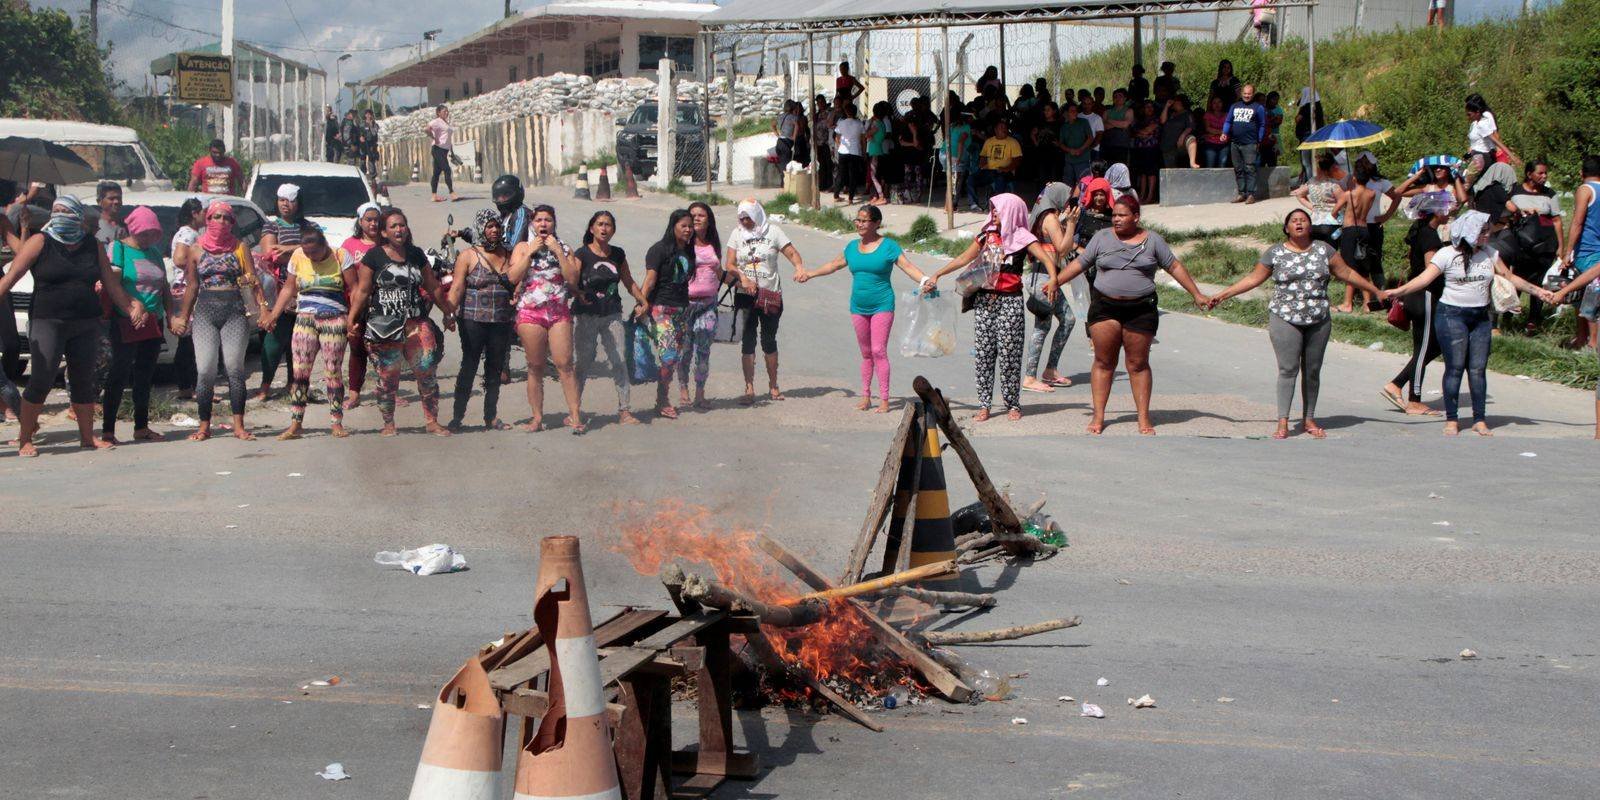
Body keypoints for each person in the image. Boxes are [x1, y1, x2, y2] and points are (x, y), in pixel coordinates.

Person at [1207, 209, 1385, 439]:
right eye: (1294, 221)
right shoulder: (1275, 253)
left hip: (1318, 319)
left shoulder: (1324, 250)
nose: (1299, 223)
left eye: (1303, 220)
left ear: (1310, 226)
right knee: (1288, 369)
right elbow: (1253, 278)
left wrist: (1375, 291)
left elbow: (1347, 273)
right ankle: (1283, 422)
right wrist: (1222, 295)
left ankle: (1309, 419)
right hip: (1284, 317)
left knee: (1312, 371)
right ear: (1286, 228)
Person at [0, 196, 147, 456]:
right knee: (41, 379)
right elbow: (11, 277)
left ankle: (87, 438)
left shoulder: (92, 244)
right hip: (48, 321)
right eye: (55, 211)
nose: (59, 215)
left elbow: (111, 284)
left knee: (83, 380)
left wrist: (130, 307)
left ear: (78, 216)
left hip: (85, 322)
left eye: (65, 211)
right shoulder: (40, 241)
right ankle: (25, 439)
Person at [1053, 196, 1210, 434]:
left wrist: (1196, 294)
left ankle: (1143, 418)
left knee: (1138, 363)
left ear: (1136, 217)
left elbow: (1174, 266)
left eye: (1122, 215)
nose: (1116, 219)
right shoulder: (1102, 237)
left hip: (1141, 309)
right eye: (1114, 215)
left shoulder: (1153, 240)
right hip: (1105, 307)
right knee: (1104, 362)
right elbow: (1081, 263)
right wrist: (1056, 282)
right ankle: (1098, 416)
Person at [1386, 211, 1552, 435]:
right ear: (1469, 231)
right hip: (1451, 316)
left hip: (1480, 317)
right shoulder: (1447, 254)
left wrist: (1539, 292)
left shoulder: (1489, 253)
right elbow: (1424, 279)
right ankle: (1452, 420)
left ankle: (1479, 419)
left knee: (1478, 370)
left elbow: (1509, 277)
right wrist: (1397, 292)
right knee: (1454, 368)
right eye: (1483, 231)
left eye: (1487, 231)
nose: (1487, 235)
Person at [927, 194, 1057, 421]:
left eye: (999, 209)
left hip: (1010, 302)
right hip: (985, 301)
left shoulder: (1023, 238)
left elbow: (1046, 259)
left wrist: (1054, 278)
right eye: (993, 209)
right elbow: (963, 258)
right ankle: (984, 405)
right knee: (984, 354)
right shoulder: (985, 236)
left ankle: (1012, 404)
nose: (994, 213)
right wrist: (938, 274)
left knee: (1010, 356)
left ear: (1012, 212)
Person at [795, 204, 930, 412]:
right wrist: (810, 274)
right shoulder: (851, 247)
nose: (859, 224)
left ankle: (884, 399)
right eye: (857, 220)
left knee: (878, 351)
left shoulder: (889, 246)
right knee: (866, 353)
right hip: (858, 307)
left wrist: (925, 280)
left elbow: (908, 266)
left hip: (882, 305)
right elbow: (833, 265)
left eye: (864, 220)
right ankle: (866, 396)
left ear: (876, 223)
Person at [347, 208, 454, 436]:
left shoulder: (416, 254)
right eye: (393, 226)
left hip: (416, 323)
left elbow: (432, 286)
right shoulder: (373, 257)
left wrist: (448, 312)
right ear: (384, 232)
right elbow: (363, 291)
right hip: (384, 327)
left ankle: (432, 421)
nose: (399, 229)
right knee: (388, 377)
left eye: (402, 225)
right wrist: (352, 319)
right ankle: (388, 424)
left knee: (427, 371)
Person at [175, 200, 265, 441]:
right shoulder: (196, 249)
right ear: (208, 219)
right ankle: (204, 426)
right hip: (205, 313)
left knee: (235, 368)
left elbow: (253, 280)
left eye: (226, 218)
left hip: (234, 312)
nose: (221, 222)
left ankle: (239, 426)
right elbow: (192, 286)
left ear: (232, 222)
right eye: (217, 217)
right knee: (205, 370)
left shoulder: (240, 247)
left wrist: (264, 309)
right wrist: (183, 316)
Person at [262, 225, 350, 440]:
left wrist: (352, 318)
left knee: (333, 371)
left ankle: (336, 421)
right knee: (300, 372)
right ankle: (296, 423)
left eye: (315, 252)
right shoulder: (298, 256)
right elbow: (289, 288)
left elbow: (355, 288)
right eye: (307, 252)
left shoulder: (340, 255)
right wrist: (274, 314)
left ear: (325, 245)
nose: (311, 257)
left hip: (334, 317)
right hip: (304, 318)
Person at [508, 205, 583, 433]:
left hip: (558, 311)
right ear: (532, 223)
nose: (543, 224)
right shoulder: (522, 247)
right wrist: (530, 252)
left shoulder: (565, 248)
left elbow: (572, 279)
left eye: (548, 220)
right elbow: (512, 277)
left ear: (554, 223)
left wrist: (558, 252)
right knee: (535, 366)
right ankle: (537, 418)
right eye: (539, 220)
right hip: (531, 312)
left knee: (565, 364)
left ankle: (575, 416)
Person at [100, 206, 172, 444]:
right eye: (144, 233)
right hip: (125, 319)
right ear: (133, 229)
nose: (148, 238)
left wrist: (171, 314)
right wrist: (133, 306)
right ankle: (108, 430)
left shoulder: (154, 252)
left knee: (145, 375)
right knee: (119, 374)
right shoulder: (118, 248)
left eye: (153, 234)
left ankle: (141, 426)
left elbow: (164, 287)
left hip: (152, 320)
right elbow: (113, 284)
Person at [1380, 191, 1453, 416]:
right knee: (1425, 349)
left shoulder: (1420, 231)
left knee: (1432, 346)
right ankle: (1412, 399)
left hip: (1417, 296)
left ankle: (1399, 387)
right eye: (1445, 206)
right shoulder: (1430, 235)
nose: (1449, 210)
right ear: (1435, 211)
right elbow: (1431, 269)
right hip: (1425, 296)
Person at [572, 210, 647, 426]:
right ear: (592, 228)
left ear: (613, 230)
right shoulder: (582, 254)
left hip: (612, 314)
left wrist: (643, 300)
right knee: (583, 363)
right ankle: (574, 410)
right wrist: (578, 294)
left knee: (619, 360)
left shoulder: (618, 254)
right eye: (600, 224)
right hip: (586, 315)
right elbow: (572, 281)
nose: (604, 228)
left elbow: (628, 281)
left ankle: (624, 410)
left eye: (608, 225)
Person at [446, 209, 517, 431]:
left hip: (501, 320)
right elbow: (457, 287)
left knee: (495, 368)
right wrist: (449, 313)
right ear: (480, 228)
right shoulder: (468, 256)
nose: (494, 230)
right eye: (489, 226)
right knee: (469, 365)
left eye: (497, 226)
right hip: (472, 320)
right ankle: (457, 417)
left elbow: (520, 281)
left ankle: (491, 417)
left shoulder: (510, 253)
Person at [726, 200, 802, 406]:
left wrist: (799, 267)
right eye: (741, 218)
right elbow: (730, 264)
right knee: (748, 340)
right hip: (745, 296)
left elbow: (792, 253)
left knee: (769, 340)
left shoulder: (773, 232)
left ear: (757, 215)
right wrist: (743, 278)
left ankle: (773, 385)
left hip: (770, 295)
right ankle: (749, 387)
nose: (744, 221)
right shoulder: (736, 234)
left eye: (748, 217)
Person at [1552, 155, 1600, 437]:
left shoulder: (1585, 189)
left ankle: (1590, 341)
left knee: (1587, 295)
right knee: (1587, 295)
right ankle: (1583, 338)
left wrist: (1568, 252)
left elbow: (1578, 221)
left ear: (1583, 173)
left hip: (1588, 250)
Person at [255, 183, 313, 401]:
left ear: (299, 202)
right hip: (279, 289)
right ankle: (265, 386)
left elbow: (317, 248)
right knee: (274, 339)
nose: (285, 204)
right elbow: (272, 254)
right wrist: (302, 249)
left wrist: (290, 248)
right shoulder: (271, 226)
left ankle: (293, 383)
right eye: (282, 200)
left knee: (299, 341)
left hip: (305, 289)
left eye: (290, 200)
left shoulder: (309, 225)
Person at [1021, 183, 1076, 393]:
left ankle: (1048, 370)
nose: (1068, 203)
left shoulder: (1043, 216)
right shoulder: (1050, 218)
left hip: (1044, 277)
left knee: (1062, 320)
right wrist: (1071, 225)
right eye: (1066, 198)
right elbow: (1062, 248)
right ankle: (1031, 376)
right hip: (1045, 278)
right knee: (1046, 325)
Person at [670, 202, 724, 410]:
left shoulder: (713, 245)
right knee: (684, 351)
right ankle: (683, 388)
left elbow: (719, 272)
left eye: (702, 215)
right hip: (685, 305)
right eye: (693, 215)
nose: (697, 218)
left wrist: (741, 282)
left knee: (703, 351)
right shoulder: (682, 244)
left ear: (709, 220)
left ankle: (700, 393)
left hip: (708, 305)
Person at [642, 210, 695, 419]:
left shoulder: (688, 252)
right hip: (661, 309)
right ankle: (662, 400)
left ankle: (661, 397)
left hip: (681, 311)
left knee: (673, 359)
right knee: (669, 356)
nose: (688, 230)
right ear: (673, 226)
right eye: (684, 225)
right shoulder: (659, 249)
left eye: (690, 226)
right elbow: (650, 280)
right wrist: (641, 303)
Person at [1504, 160, 1565, 332]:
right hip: (1520, 244)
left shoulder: (1550, 194)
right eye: (1540, 173)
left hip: (1544, 244)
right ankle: (1508, 318)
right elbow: (1506, 213)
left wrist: (1561, 246)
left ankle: (1534, 320)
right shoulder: (1515, 191)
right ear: (1529, 174)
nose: (1544, 176)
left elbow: (1557, 221)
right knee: (1516, 279)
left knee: (1539, 280)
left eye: (1546, 173)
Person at [339, 202, 383, 410]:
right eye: (369, 220)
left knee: (385, 349)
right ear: (360, 221)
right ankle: (354, 393)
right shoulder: (349, 245)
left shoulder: (388, 243)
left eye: (376, 220)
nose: (373, 224)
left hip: (383, 305)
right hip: (356, 304)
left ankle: (387, 390)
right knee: (357, 348)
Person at [169, 196, 204, 400]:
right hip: (187, 289)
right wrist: (201, 264)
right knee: (190, 341)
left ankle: (188, 386)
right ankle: (189, 386)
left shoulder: (187, 233)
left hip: (184, 289)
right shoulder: (188, 234)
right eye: (204, 213)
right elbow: (179, 258)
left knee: (189, 340)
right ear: (194, 214)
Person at [1334, 160, 1377, 314]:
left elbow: (1334, 212)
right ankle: (1367, 303)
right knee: (1364, 266)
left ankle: (1347, 303)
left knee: (1349, 268)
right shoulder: (1372, 194)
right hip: (1364, 230)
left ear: (1354, 178)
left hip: (1349, 231)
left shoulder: (1348, 194)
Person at [1221, 84, 1267, 203]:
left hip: (1250, 143)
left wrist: (1259, 140)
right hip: (1235, 143)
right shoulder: (1235, 106)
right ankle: (1241, 193)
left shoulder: (1258, 108)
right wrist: (1224, 132)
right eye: (1245, 93)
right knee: (1238, 169)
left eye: (1249, 94)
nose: (1247, 96)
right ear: (1241, 93)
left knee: (1250, 168)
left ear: (1253, 94)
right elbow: (1228, 121)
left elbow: (1262, 125)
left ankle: (1251, 194)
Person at [1462, 94, 1518, 188]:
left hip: (1482, 157)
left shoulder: (1485, 118)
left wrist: (1509, 155)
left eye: (1469, 113)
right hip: (1476, 156)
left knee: (1465, 184)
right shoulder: (1475, 123)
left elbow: (1494, 136)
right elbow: (1476, 141)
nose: (1467, 116)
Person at [1293, 153, 1347, 244]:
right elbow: (1343, 199)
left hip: (1314, 223)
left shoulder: (1311, 182)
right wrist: (1334, 211)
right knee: (1331, 251)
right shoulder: (1333, 183)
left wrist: (1313, 207)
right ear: (1331, 167)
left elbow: (1299, 194)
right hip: (1331, 223)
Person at [975, 119, 1023, 208]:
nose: (1004, 129)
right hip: (990, 170)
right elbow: (983, 156)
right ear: (995, 130)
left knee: (999, 179)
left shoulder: (1013, 142)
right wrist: (982, 166)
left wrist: (1006, 169)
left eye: (1005, 128)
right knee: (971, 179)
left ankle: (997, 204)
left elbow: (1017, 160)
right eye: (1001, 127)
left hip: (1005, 171)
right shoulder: (989, 141)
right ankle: (973, 204)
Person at [833, 103, 867, 204]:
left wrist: (840, 145)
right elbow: (863, 140)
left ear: (846, 112)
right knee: (853, 175)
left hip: (843, 151)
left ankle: (836, 195)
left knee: (841, 174)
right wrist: (864, 152)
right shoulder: (859, 124)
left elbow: (837, 137)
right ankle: (851, 198)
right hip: (855, 151)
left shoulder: (841, 123)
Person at [1129, 101, 1162, 203]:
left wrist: (1142, 132)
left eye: (1151, 107)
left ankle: (1150, 196)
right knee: (1142, 173)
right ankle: (1142, 195)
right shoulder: (1139, 120)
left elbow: (1146, 131)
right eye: (1147, 107)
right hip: (1140, 149)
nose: (1149, 109)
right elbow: (1134, 132)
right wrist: (1143, 133)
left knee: (1151, 172)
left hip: (1152, 148)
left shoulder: (1156, 119)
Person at [426, 105, 459, 203]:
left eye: (447, 111)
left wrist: (451, 151)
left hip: (444, 150)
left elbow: (447, 139)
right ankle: (452, 193)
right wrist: (434, 138)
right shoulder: (437, 121)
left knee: (436, 173)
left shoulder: (445, 123)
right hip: (437, 149)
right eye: (444, 111)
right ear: (438, 113)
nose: (447, 113)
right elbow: (426, 129)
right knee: (447, 169)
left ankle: (434, 196)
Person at [1293, 88, 1325, 188]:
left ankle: (1311, 183)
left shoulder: (1307, 107)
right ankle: (1308, 180)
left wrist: (1300, 110)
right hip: (1314, 136)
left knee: (1306, 162)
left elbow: (1298, 119)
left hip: (1306, 137)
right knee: (1311, 161)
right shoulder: (1318, 106)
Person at [865, 102, 894, 206]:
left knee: (873, 175)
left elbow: (866, 134)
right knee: (876, 174)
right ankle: (876, 196)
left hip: (875, 151)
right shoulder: (882, 123)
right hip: (877, 149)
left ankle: (881, 197)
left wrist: (869, 127)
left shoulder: (876, 124)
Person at [1059, 103, 1096, 185]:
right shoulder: (1063, 127)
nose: (1075, 113)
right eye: (1072, 111)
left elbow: (1090, 138)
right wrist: (1070, 150)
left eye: (1076, 111)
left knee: (1084, 183)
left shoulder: (1083, 122)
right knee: (1067, 184)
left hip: (1083, 159)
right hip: (1069, 160)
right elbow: (1061, 143)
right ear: (1066, 113)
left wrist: (1081, 149)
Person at [1159, 95, 1196, 170]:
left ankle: (1192, 162)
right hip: (1167, 146)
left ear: (1180, 102)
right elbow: (1162, 121)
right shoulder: (1171, 113)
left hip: (1180, 145)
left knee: (1191, 138)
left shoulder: (1187, 114)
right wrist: (1166, 106)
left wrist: (1182, 136)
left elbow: (1190, 127)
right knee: (1171, 171)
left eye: (1175, 101)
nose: (1173, 102)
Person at [1100, 89, 1133, 169]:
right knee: (1107, 168)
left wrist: (1109, 120)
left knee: (1121, 169)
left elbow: (1125, 124)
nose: (1117, 98)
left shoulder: (1129, 110)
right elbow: (1103, 126)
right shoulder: (1107, 111)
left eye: (1120, 96)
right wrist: (1119, 124)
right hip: (1107, 145)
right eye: (1115, 96)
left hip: (1122, 145)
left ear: (1125, 98)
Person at [812, 94, 836, 193]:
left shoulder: (830, 112)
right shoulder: (816, 114)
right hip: (819, 143)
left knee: (829, 164)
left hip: (828, 143)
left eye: (821, 102)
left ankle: (829, 184)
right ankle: (822, 185)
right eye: (818, 102)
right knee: (821, 165)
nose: (820, 104)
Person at [1200, 95, 1229, 168]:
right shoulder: (1208, 115)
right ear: (1211, 104)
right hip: (1210, 143)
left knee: (1222, 166)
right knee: (1210, 165)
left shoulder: (1227, 115)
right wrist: (1222, 132)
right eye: (1214, 103)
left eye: (1219, 102)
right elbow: (1208, 129)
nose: (1217, 105)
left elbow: (1229, 129)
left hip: (1224, 144)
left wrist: (1214, 132)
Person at [774, 100, 801, 166]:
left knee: (782, 164)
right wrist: (794, 137)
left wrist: (777, 134)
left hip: (780, 142)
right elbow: (797, 125)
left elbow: (772, 124)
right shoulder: (793, 117)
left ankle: (783, 172)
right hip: (787, 142)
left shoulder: (780, 116)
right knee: (787, 165)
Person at [1261, 91, 1284, 167]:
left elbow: (1278, 123)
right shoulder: (1263, 108)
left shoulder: (1278, 109)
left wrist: (1268, 122)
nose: (1276, 102)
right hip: (1264, 136)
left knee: (1273, 160)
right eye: (1274, 99)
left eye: (1277, 100)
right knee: (1262, 160)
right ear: (1268, 99)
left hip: (1274, 135)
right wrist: (1272, 119)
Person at [360, 109, 381, 179]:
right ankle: (362, 174)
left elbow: (374, 133)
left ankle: (373, 176)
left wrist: (371, 125)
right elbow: (359, 132)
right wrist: (360, 137)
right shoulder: (362, 124)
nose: (368, 116)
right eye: (367, 114)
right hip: (363, 144)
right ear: (365, 115)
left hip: (371, 144)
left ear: (371, 115)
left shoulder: (375, 124)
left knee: (371, 160)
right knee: (362, 159)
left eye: (369, 114)